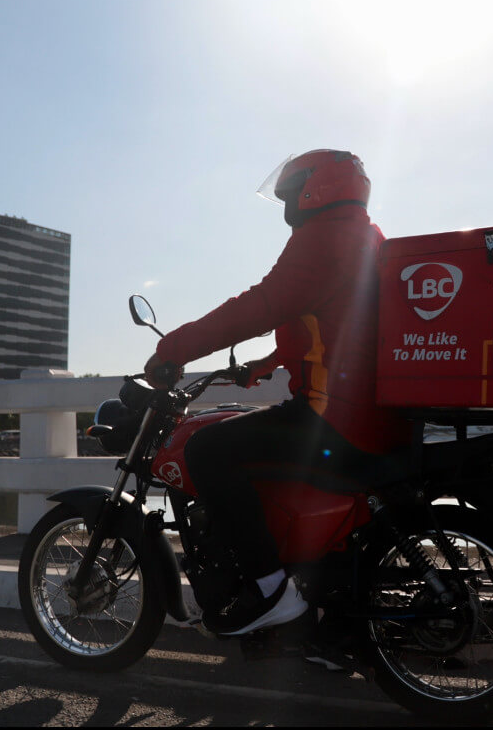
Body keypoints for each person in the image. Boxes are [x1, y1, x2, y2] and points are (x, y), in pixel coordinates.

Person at [144, 149, 409, 636]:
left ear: (315, 189)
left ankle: (269, 589)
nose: (287, 206)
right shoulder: (365, 235)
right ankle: (332, 631)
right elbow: (331, 324)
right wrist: (262, 367)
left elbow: (261, 306)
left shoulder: (322, 238)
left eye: (288, 194)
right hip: (375, 414)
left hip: (338, 418)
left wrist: (173, 349)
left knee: (208, 447)